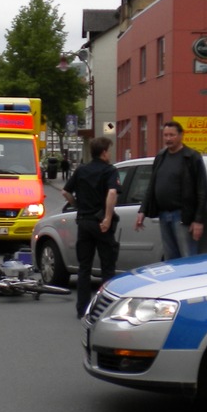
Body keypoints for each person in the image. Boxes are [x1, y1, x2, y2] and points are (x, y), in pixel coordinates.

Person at [63, 135, 122, 318]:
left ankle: (82, 309)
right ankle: (106, 309)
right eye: (109, 150)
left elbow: (66, 192)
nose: (110, 153)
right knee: (107, 268)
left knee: (84, 268)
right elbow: (112, 192)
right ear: (104, 152)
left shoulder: (81, 170)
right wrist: (107, 217)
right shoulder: (109, 171)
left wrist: (77, 205)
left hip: (84, 222)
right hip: (101, 223)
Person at [136, 120, 207, 260]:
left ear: (181, 135)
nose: (168, 139)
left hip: (183, 216)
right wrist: (143, 210)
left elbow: (202, 190)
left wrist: (198, 220)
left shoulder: (191, 157)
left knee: (188, 259)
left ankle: (189, 282)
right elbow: (152, 185)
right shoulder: (161, 157)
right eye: (165, 135)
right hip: (164, 215)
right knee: (171, 260)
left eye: (172, 135)